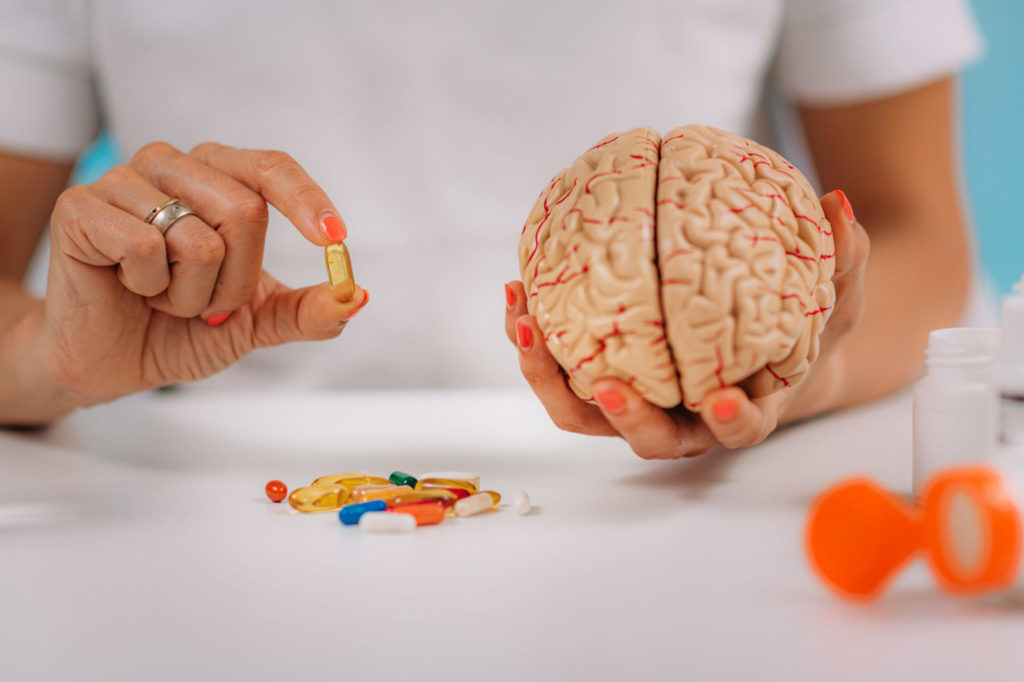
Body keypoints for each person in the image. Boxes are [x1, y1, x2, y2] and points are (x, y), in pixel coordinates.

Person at [0, 1, 985, 458]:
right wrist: (46, 359)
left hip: (712, 509)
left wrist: (818, 372)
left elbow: (915, 231)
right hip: (203, 497)